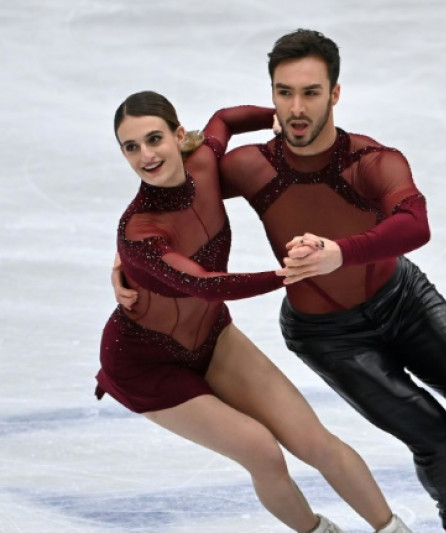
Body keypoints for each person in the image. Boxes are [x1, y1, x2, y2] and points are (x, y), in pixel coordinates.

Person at [116, 30, 446, 531]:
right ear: (272, 98)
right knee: (431, 433)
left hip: (407, 302)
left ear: (335, 94)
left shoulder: (371, 160)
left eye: (310, 92)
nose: (297, 107)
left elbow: (415, 223)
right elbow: (172, 201)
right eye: (285, 94)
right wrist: (126, 268)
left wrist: (339, 254)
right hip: (328, 336)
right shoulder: (247, 166)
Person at [97, 90, 411, 533]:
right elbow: (204, 285)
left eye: (154, 139)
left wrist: (277, 119)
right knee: (261, 450)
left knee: (313, 440)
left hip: (212, 339)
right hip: (145, 364)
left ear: (178, 135)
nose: (146, 155)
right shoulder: (140, 231)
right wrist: (290, 273)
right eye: (131, 147)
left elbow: (225, 117)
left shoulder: (204, 162)